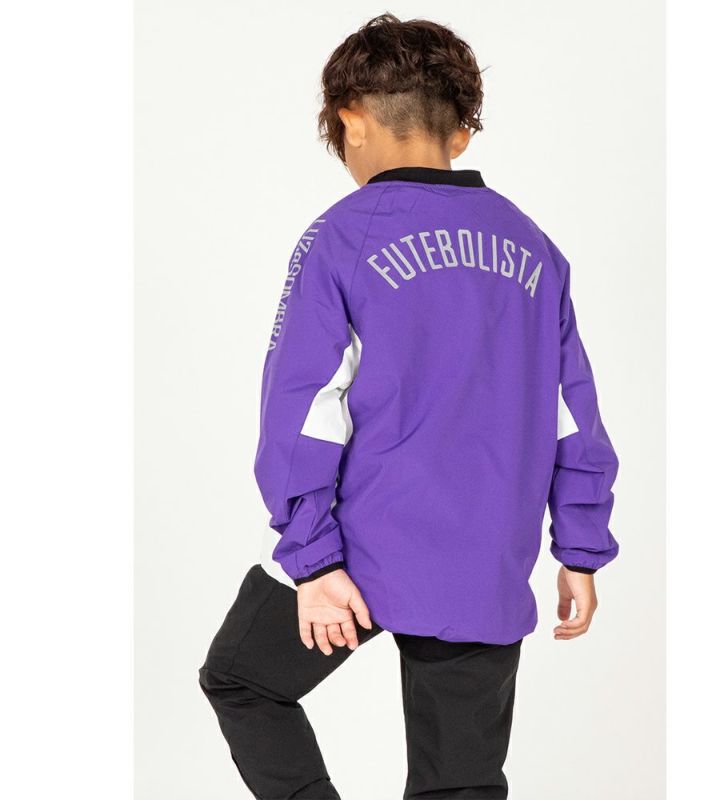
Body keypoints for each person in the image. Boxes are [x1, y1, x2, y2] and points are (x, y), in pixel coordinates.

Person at [199, 13, 618, 800]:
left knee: (243, 679)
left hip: (359, 551)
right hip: (484, 562)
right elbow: (573, 413)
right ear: (461, 132)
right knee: (460, 785)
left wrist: (313, 561)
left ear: (351, 120)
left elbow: (304, 408)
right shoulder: (534, 247)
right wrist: (580, 548)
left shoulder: (341, 237)